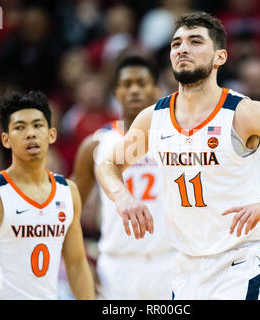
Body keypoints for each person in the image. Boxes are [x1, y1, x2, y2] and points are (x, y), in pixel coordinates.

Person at [96, 12, 260, 300]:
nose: (182, 49)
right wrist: (123, 197)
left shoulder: (243, 113)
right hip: (186, 265)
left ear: (219, 57)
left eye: (195, 41)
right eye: (176, 44)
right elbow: (108, 163)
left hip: (240, 261)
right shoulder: (153, 118)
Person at [0, 91, 95, 300]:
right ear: (5, 139)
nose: (30, 133)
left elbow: (77, 264)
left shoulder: (68, 191)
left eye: (38, 125)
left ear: (51, 134)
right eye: (20, 127)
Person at [71, 55, 176, 299]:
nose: (135, 90)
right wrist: (82, 263)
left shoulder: (179, 138)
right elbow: (68, 212)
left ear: (157, 89)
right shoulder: (96, 144)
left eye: (142, 83)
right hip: (116, 268)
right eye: (127, 84)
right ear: (116, 93)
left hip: (169, 262)